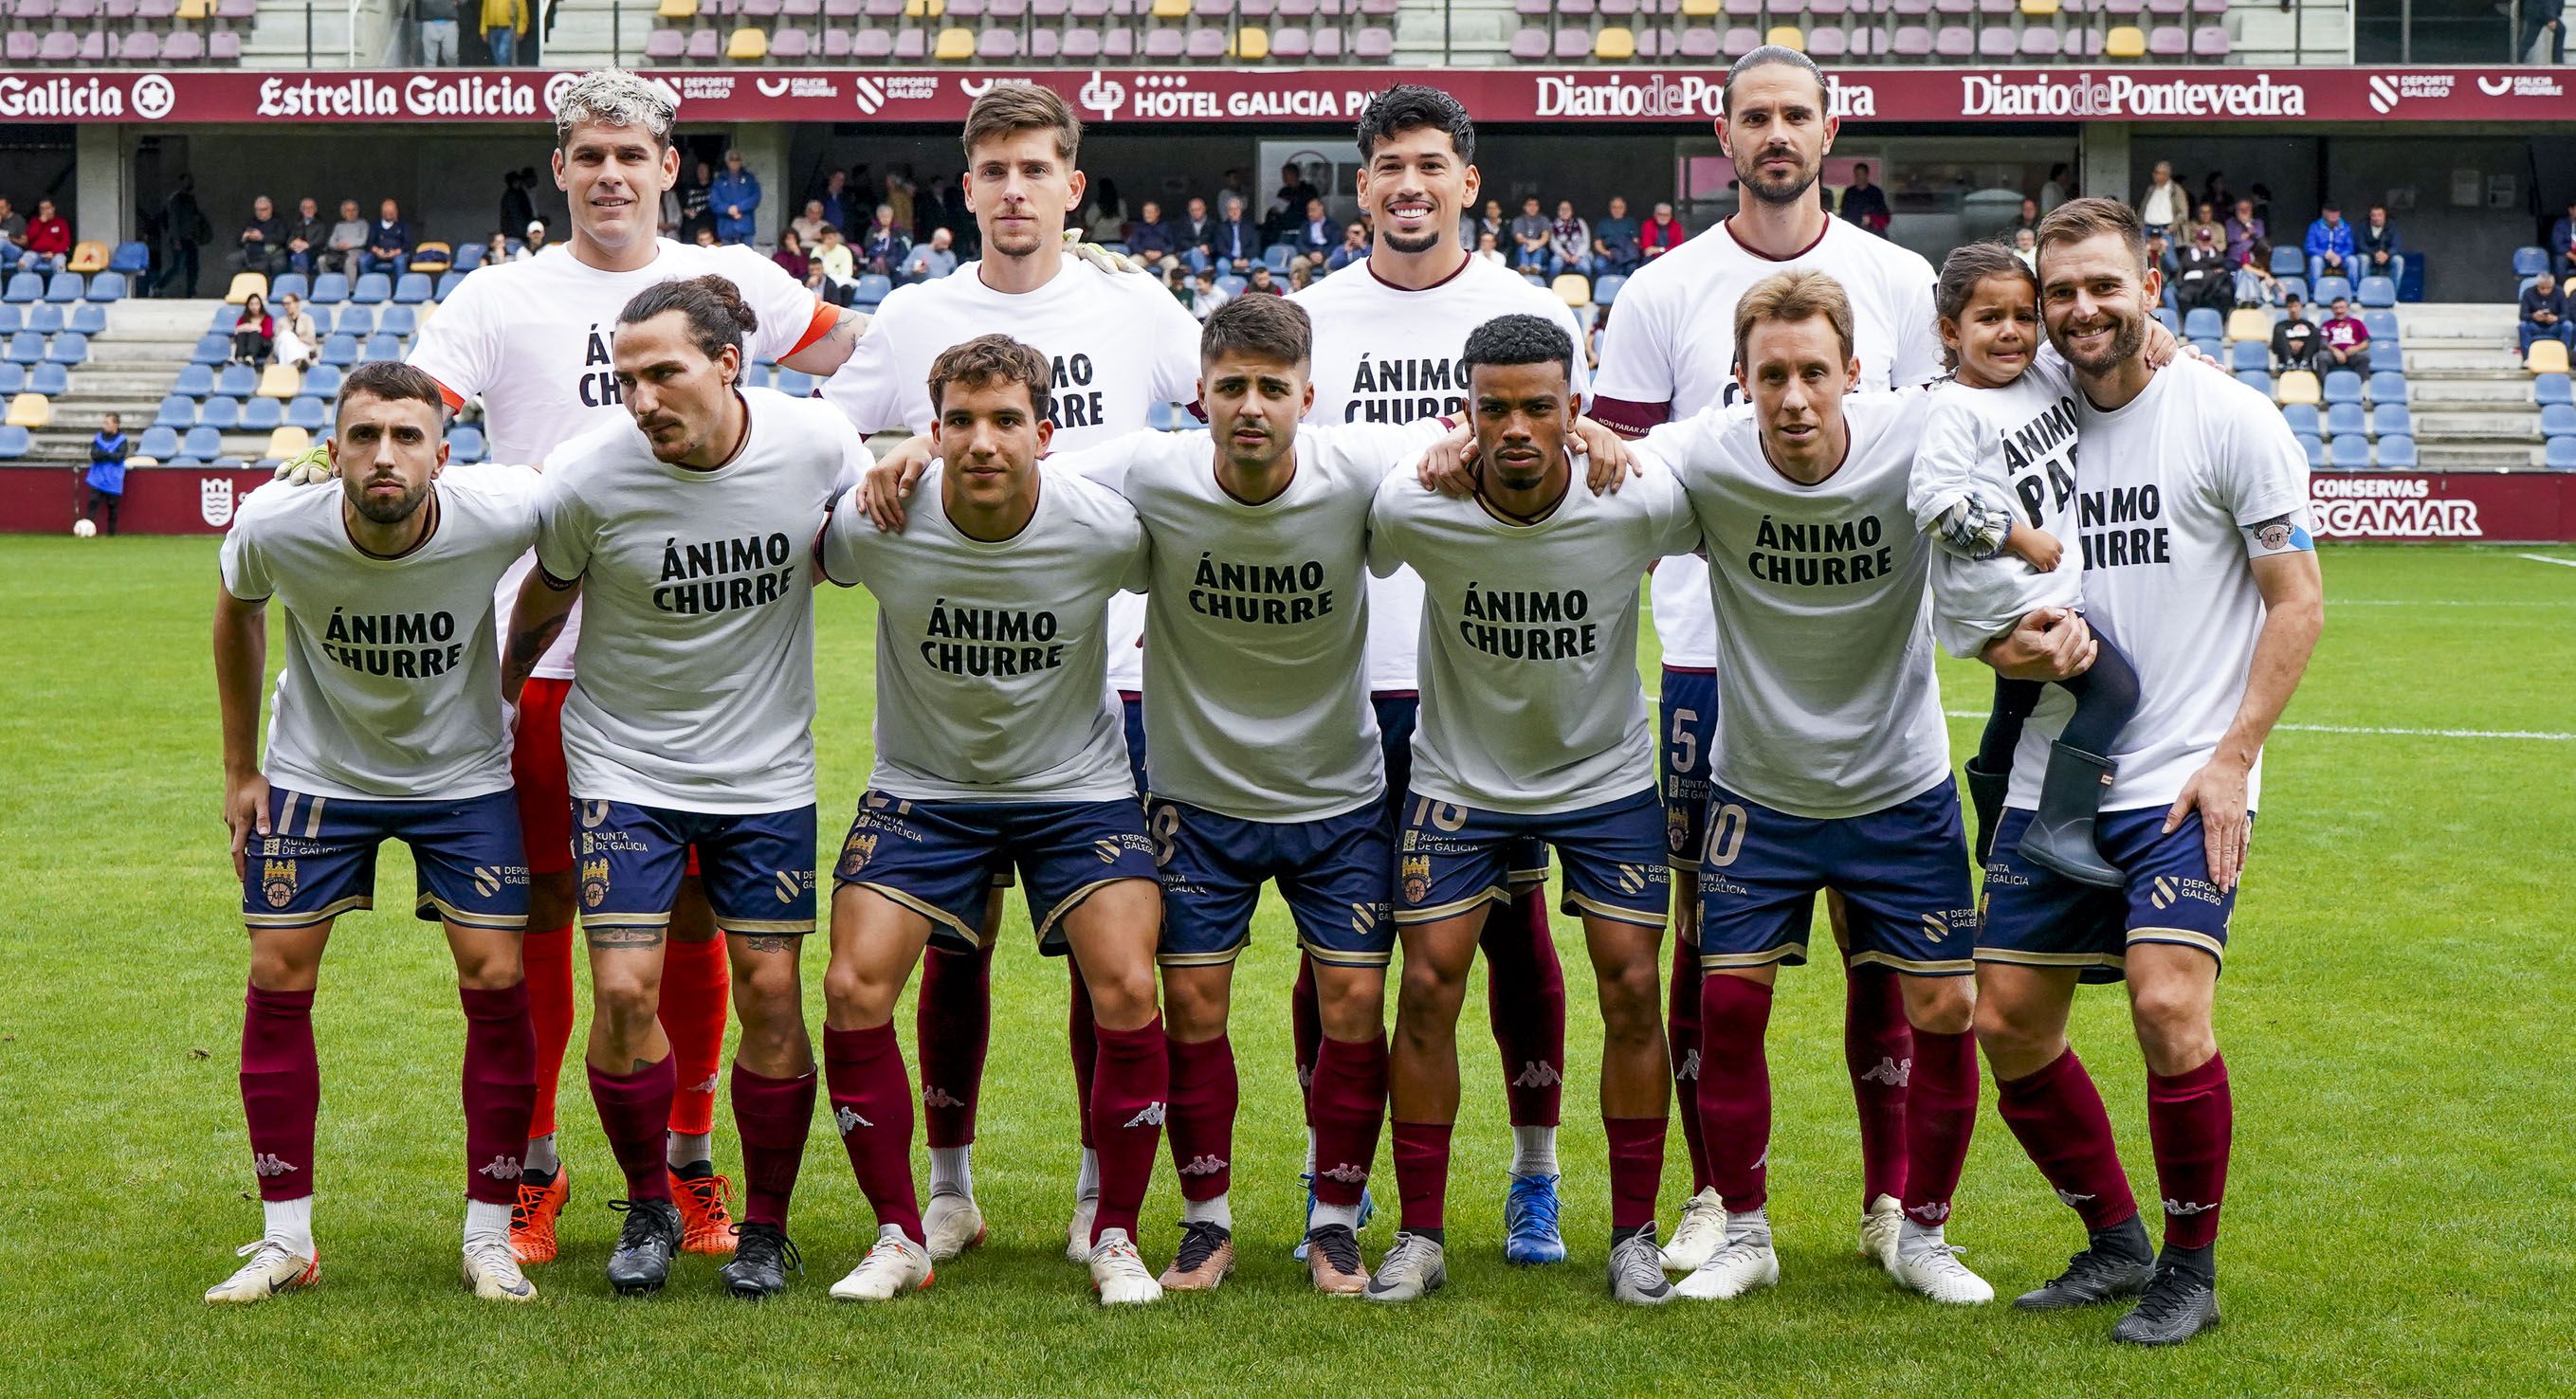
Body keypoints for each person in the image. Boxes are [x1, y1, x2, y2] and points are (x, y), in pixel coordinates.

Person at [404, 67, 861, 1271]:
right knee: (554, 916)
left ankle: (691, 1158)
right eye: (587, 154)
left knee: (706, 919)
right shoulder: (499, 296)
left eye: (632, 153)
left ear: (670, 167)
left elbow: (858, 357)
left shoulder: (744, 286)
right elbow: (419, 418)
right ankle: (541, 1166)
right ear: (558, 169)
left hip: (705, 666)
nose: (609, 173)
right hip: (545, 658)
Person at [815, 82, 1205, 1266]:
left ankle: (1102, 1194)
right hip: (951, 688)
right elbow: (830, 442)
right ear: (967, 186)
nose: (1013, 190)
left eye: (1036, 169)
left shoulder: (1135, 305)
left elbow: (1225, 421)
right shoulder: (915, 314)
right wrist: (885, 456)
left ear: (1070, 184)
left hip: (1111, 673)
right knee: (953, 946)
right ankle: (945, 1188)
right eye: (991, 171)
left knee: (1111, 966)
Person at [1588, 45, 1944, 1280]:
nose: (1777, 133)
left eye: (1797, 113)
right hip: (1706, 664)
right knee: (1712, 946)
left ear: (1831, 129)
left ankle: (1888, 1199)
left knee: (1880, 945)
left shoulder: (1898, 282)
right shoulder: (1660, 290)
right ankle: (1713, 1196)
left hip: (1869, 665)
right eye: (1756, 116)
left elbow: (1957, 448)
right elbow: (1616, 489)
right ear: (1723, 132)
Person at [1976, 195, 2322, 1347]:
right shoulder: (2018, 418)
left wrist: (2234, 760)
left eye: (2102, 288)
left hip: (2183, 775)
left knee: (2168, 1005)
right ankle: (2112, 1239)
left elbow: (2296, 600)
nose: (2080, 311)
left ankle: (2187, 1267)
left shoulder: (2227, 418)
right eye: (2059, 292)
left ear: (2148, 286)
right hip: (2051, 776)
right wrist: (2003, 642)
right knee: (2006, 1023)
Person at [1624, 269, 1987, 1308]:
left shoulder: (1920, 435)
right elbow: (1606, 463)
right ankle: (1744, 1232)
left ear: (1854, 374)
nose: (1791, 398)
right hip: (1759, 793)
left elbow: (2040, 393)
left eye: (1812, 374)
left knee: (1945, 1009)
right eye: (1770, 375)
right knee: (1726, 1009)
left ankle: (1919, 1232)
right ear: (1737, 379)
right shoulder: (1706, 450)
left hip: (1900, 790)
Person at [502, 277, 863, 1299]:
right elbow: (542, 604)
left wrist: (919, 452)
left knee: (771, 993)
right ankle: (651, 1205)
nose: (643, 398)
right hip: (623, 765)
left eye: (664, 372)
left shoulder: (814, 444)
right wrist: (495, 703)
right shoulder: (587, 476)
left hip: (765, 774)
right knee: (620, 990)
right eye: (626, 379)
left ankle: (762, 1226)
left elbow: (880, 508)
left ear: (728, 364)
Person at [1291, 84, 1599, 1271]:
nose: (1407, 186)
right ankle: (1344, 1182)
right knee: (1343, 952)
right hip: (1341, 682)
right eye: (1384, 167)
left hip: (1491, 683)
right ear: (1359, 185)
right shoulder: (1308, 318)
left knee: (1516, 939)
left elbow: (1592, 458)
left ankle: (1535, 1178)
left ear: (1469, 181)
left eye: (1429, 165)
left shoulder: (1530, 312)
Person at [812, 334, 1169, 1306]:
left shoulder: (1104, 527)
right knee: (851, 988)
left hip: (1076, 792)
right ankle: (910, 1228)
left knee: (1130, 985)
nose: (981, 440)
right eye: (959, 422)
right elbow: (802, 554)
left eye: (1005, 419)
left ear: (1044, 433)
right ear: (930, 434)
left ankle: (1115, 1232)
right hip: (925, 790)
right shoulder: (878, 522)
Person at [1361, 314, 1692, 1308]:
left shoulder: (1634, 503)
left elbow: (1714, 491)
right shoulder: (1417, 505)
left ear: (1572, 410)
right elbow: (1368, 542)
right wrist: (1427, 459)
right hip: (1458, 778)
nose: (1514, 427)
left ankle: (1631, 1232)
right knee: (1426, 987)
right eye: (1492, 407)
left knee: (1633, 988)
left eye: (1537, 407)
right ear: (1463, 414)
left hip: (1603, 783)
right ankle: (1419, 1234)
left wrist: (1623, 451)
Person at [206, 361, 544, 1306]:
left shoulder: (506, 507)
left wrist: (512, 676)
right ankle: (285, 1240)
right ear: (333, 448)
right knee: (277, 974)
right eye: (364, 436)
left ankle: (490, 1237)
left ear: (445, 450)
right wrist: (242, 772)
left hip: (463, 777)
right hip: (319, 776)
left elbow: (592, 526)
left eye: (405, 436)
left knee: (497, 977)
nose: (383, 455)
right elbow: (235, 613)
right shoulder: (276, 524)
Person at [1914, 241, 2143, 891]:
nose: (2010, 331)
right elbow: (1931, 504)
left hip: (2025, 588)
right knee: (2113, 691)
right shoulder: (1955, 409)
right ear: (1949, 331)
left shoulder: (2038, 374)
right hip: (2007, 593)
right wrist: (2019, 537)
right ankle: (2060, 824)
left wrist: (2154, 336)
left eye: (2022, 314)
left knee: (2015, 701)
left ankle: (1990, 817)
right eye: (1988, 319)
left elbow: (2103, 341)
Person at [160, 176, 212, 297]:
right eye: (186, 181)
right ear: (181, 183)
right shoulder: (176, 199)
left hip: (191, 238)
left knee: (193, 268)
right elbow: (173, 220)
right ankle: (158, 286)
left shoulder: (190, 199)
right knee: (178, 267)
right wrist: (176, 240)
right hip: (180, 238)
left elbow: (194, 218)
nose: (189, 183)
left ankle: (191, 293)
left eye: (190, 181)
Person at [82, 413, 126, 536]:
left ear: (115, 424)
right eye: (104, 423)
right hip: (98, 477)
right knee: (93, 501)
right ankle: (87, 529)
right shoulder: (98, 438)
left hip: (113, 477)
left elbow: (118, 457)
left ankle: (111, 533)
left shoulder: (122, 440)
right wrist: (109, 454)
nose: (105, 425)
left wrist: (104, 453)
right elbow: (94, 455)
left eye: (107, 423)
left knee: (112, 505)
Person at [2174, 225, 2230, 316]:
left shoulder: (2216, 252)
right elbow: (2187, 265)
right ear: (2197, 241)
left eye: (2207, 240)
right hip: (2192, 284)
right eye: (2202, 240)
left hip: (2211, 286)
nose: (2205, 243)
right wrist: (2210, 269)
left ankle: (2219, 320)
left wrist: (2202, 264)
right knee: (2183, 296)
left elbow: (2220, 262)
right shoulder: (2189, 252)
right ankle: (2192, 320)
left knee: (2225, 292)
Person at [711, 151, 761, 246]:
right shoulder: (719, 180)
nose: (734, 162)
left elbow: (756, 197)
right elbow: (714, 203)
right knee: (727, 260)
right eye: (732, 159)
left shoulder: (750, 178)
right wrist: (728, 209)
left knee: (747, 260)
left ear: (741, 161)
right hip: (726, 227)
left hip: (745, 225)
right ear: (727, 162)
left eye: (737, 159)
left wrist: (738, 208)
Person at [232, 196, 289, 279]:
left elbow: (282, 238)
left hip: (271, 251)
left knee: (277, 263)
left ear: (270, 209)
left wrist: (262, 237)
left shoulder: (278, 221)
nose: (259, 213)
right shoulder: (252, 221)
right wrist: (244, 237)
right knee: (233, 259)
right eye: (257, 210)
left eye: (263, 210)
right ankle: (241, 283)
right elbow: (239, 241)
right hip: (251, 251)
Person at [2520, 271, 2571, 356]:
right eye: (2542, 288)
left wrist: (2556, 318)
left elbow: (2566, 314)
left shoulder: (2560, 292)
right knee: (2523, 326)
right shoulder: (2528, 293)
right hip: (2535, 326)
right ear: (2537, 286)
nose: (2545, 291)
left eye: (2548, 288)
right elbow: (2522, 315)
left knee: (2568, 325)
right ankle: (2527, 358)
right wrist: (2533, 316)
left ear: (2552, 286)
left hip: (2554, 326)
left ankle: (2564, 357)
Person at [2269, 292, 2323, 372]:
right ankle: (2289, 362)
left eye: (2295, 306)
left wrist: (2302, 343)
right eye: (2290, 307)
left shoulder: (2309, 325)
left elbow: (2316, 346)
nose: (2293, 310)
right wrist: (2289, 344)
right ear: (2287, 308)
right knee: (2279, 329)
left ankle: (2305, 362)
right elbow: (2274, 348)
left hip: (2305, 359)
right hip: (2285, 360)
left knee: (2316, 331)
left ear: (2300, 306)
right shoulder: (2280, 326)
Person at [2304, 203, 2354, 287]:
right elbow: (2309, 247)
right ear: (2324, 213)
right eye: (2331, 212)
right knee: (2316, 261)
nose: (2334, 215)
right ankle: (2315, 292)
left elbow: (2350, 247)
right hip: (2322, 258)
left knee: (2352, 261)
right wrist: (2324, 254)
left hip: (2340, 258)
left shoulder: (2346, 227)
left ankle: (2353, 292)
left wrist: (2340, 257)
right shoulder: (2315, 226)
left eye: (2336, 212)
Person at [2319, 295, 2371, 375]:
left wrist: (2356, 348)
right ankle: (2325, 385)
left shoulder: (2357, 323)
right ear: (2332, 310)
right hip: (2333, 355)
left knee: (2364, 356)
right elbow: (2323, 342)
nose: (2339, 311)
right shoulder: (2326, 324)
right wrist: (2335, 351)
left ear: (2347, 308)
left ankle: (2359, 385)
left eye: (2342, 307)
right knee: (2321, 356)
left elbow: (2366, 342)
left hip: (2353, 354)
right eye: (2336, 308)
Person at [2356, 206, 2402, 292]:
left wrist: (2387, 255)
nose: (2376, 218)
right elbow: (2360, 245)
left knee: (2398, 260)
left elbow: (2396, 246)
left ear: (2384, 216)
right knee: (2363, 259)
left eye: (2379, 215)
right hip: (2369, 256)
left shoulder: (2392, 226)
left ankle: (2392, 294)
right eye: (2373, 215)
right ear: (2370, 216)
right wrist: (2374, 254)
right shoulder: (2363, 226)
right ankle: (2364, 292)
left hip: (2387, 257)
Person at [1215, 194, 1262, 276]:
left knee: (1260, 266)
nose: (1234, 212)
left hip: (1248, 258)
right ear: (1227, 211)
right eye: (1231, 209)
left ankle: (1254, 288)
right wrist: (1234, 260)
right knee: (1221, 265)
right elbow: (1221, 248)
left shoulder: (1250, 227)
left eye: (1237, 209)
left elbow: (1255, 247)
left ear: (1241, 210)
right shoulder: (1221, 228)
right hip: (1228, 259)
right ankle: (1228, 286)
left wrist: (1246, 259)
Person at [2138, 161, 2185, 241]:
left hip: (2165, 231)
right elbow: (2142, 208)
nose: (2154, 175)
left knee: (2168, 253)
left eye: (2157, 173)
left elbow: (2183, 213)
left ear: (2166, 175)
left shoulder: (2176, 190)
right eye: (2155, 172)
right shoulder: (2151, 189)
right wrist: (2140, 224)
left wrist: (2172, 228)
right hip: (2147, 229)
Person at [1594, 195, 1641, 276]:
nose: (1617, 210)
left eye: (1620, 207)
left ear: (1625, 208)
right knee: (1598, 264)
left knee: (1632, 267)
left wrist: (1625, 254)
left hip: (1626, 255)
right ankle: (1609, 286)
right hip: (1608, 254)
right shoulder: (1603, 223)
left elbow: (1636, 242)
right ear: (1610, 208)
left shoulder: (1630, 222)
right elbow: (1597, 243)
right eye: (1614, 207)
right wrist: (1606, 253)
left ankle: (1626, 288)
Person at [363, 200, 411, 279]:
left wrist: (396, 252)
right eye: (387, 211)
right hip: (378, 254)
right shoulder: (375, 226)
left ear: (396, 212)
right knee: (363, 261)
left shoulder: (403, 225)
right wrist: (377, 251)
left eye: (392, 211)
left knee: (400, 261)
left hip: (398, 254)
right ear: (382, 212)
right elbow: (369, 243)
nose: (390, 214)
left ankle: (400, 289)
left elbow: (407, 244)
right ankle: (368, 287)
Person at [1838, 162, 1890, 234]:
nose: (1858, 177)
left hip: (1873, 231)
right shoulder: (1849, 192)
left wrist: (1871, 219)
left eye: (1861, 174)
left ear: (1866, 175)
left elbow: (1883, 214)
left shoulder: (1876, 192)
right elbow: (1844, 212)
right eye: (1856, 174)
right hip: (1853, 230)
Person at [283, 197, 328, 277]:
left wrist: (307, 245)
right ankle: (302, 278)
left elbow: (320, 240)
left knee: (299, 255)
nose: (308, 210)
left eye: (311, 207)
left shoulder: (321, 224)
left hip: (314, 252)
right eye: (305, 208)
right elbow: (289, 240)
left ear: (315, 209)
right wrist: (293, 245)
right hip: (297, 252)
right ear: (301, 210)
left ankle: (302, 279)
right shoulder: (297, 224)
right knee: (296, 255)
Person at [273, 292, 320, 370]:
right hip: (284, 348)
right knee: (285, 335)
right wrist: (292, 338)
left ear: (297, 303)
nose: (286, 307)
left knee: (288, 339)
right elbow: (276, 340)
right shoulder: (280, 321)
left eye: (288, 304)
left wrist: (295, 339)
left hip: (303, 347)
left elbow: (312, 340)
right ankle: (299, 359)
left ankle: (286, 368)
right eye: (284, 304)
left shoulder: (307, 319)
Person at [862, 204, 909, 278]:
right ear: (878, 217)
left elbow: (903, 246)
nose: (885, 219)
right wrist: (878, 237)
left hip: (894, 258)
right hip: (875, 258)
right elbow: (867, 246)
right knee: (878, 262)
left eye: (888, 216)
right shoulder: (873, 230)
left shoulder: (897, 230)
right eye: (882, 217)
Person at [1548, 199, 1593, 278]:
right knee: (1555, 263)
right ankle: (1552, 287)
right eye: (1562, 209)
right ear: (1558, 211)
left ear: (1572, 211)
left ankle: (1587, 288)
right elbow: (1553, 244)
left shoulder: (1580, 222)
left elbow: (1586, 242)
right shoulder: (1553, 225)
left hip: (1579, 254)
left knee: (1585, 266)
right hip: (1561, 255)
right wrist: (1564, 255)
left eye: (1567, 209)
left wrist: (1577, 256)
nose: (1565, 211)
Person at [323, 199, 368, 276]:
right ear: (343, 213)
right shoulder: (339, 225)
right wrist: (337, 246)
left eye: (354, 210)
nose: (351, 213)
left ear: (358, 212)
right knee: (321, 260)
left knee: (349, 261)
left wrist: (347, 245)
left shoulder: (363, 223)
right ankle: (329, 285)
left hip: (356, 251)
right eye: (348, 210)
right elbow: (331, 241)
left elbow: (363, 240)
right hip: (339, 251)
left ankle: (350, 288)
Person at [813, 224, 857, 303]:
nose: (827, 241)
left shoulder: (844, 250)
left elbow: (847, 272)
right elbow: (815, 268)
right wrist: (823, 254)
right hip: (824, 281)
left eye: (830, 238)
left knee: (846, 289)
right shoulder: (817, 250)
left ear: (836, 237)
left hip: (841, 281)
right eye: (824, 239)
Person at [25, 197, 69, 272]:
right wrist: (40, 223)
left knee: (60, 267)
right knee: (23, 265)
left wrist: (53, 252)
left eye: (47, 208)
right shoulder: (35, 221)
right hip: (36, 253)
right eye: (42, 209)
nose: (45, 211)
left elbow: (65, 242)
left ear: (53, 208)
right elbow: (29, 238)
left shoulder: (61, 222)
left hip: (55, 254)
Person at [1126, 199, 1174, 269]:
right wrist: (1145, 252)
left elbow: (1172, 245)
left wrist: (1161, 253)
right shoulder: (1138, 227)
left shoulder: (1166, 226)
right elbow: (1134, 244)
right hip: (1143, 256)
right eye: (1145, 212)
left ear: (1157, 213)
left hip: (1162, 256)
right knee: (1131, 263)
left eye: (1150, 212)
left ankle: (1166, 281)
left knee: (1172, 264)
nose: (1147, 215)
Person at [1509, 196, 1552, 273]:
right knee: (1523, 247)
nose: (1532, 208)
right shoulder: (1518, 220)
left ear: (1538, 207)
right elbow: (1519, 238)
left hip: (1541, 251)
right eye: (1529, 205)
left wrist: (1536, 245)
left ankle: (1535, 268)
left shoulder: (1543, 219)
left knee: (1539, 249)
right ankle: (1524, 268)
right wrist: (1531, 244)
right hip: (1523, 250)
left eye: (1535, 205)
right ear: (1524, 207)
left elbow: (1545, 237)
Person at [232, 291, 276, 365]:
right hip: (245, 347)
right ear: (248, 306)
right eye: (251, 304)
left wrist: (256, 328)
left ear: (261, 305)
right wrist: (245, 328)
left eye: (256, 304)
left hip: (262, 348)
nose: (254, 307)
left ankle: (250, 356)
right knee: (242, 333)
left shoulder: (268, 318)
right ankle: (240, 357)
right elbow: (236, 332)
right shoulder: (242, 319)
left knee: (254, 333)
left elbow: (268, 334)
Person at [479, 0, 526, 64]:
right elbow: (485, 11)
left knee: (503, 54)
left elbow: (523, 12)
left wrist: (521, 30)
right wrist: (483, 30)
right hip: (492, 30)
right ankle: (503, 72)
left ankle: (503, 73)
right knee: (497, 57)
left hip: (508, 30)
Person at [2221, 199, 2263, 270]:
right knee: (2227, 265)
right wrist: (2249, 232)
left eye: (2247, 208)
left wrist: (2246, 224)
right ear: (2236, 211)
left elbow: (2260, 236)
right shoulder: (2230, 222)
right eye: (2241, 209)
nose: (2244, 211)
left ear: (2251, 210)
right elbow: (2231, 238)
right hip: (2235, 259)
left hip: (2254, 259)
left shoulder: (2258, 222)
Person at [417, 0, 462, 64]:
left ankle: (452, 74)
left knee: (451, 55)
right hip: (429, 20)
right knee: (429, 59)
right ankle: (430, 74)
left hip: (450, 21)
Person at [1295, 197, 1336, 265]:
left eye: (1313, 210)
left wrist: (1323, 255)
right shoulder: (1305, 226)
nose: (1310, 214)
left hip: (1327, 256)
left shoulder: (1332, 225)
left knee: (1334, 263)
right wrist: (1310, 254)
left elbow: (1335, 243)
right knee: (1296, 263)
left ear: (1321, 210)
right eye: (1308, 211)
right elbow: (1299, 243)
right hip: (1309, 255)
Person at [499, 169, 536, 243]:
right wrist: (526, 232)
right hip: (516, 236)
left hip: (515, 234)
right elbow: (516, 216)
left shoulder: (518, 194)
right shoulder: (513, 196)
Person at [1178, 196, 1217, 265]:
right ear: (1189, 211)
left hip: (1206, 255)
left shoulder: (1212, 224)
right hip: (1188, 253)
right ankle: (1201, 275)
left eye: (1198, 209)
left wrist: (1209, 248)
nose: (1195, 212)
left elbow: (1217, 242)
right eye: (1193, 210)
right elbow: (1181, 241)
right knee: (1195, 252)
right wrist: (1197, 248)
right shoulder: (1183, 223)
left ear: (1204, 209)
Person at [2522, 0, 2565, 64]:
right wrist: (2550, 17)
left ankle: (2515, 61)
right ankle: (2558, 64)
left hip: (2539, 10)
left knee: (2528, 41)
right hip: (2540, 11)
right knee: (2528, 41)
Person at [2551, 197, 2576, 278]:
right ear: (2571, 210)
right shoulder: (2561, 224)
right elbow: (2558, 245)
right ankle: (2562, 287)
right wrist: (2573, 257)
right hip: (2567, 254)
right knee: (2560, 259)